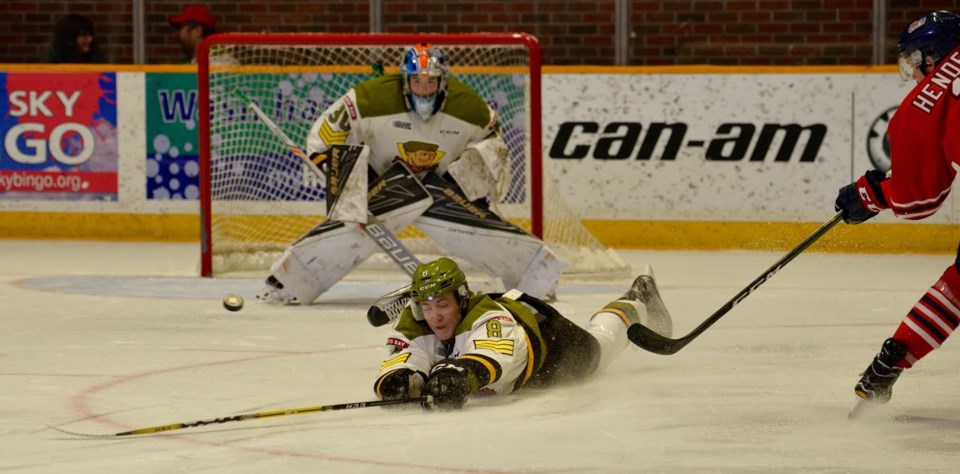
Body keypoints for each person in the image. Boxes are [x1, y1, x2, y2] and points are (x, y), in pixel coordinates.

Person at [257, 44, 565, 305]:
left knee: (473, 230)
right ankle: (287, 285)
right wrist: (348, 181)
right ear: (405, 81)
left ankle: (536, 276)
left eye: (431, 82)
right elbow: (326, 134)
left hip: (440, 185)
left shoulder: (472, 109)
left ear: (443, 82)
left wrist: (474, 191)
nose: (424, 89)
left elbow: (493, 149)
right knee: (352, 225)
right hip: (381, 181)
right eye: (417, 82)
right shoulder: (369, 97)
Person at [835, 10, 960, 408]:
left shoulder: (932, 93)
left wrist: (874, 195)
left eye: (916, 60)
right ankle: (890, 362)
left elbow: (917, 199)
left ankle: (891, 361)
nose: (915, 71)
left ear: (932, 56)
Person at [372, 258, 674, 409]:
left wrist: (462, 375)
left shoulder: (490, 319)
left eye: (442, 304)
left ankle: (639, 296)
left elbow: (493, 358)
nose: (434, 316)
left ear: (461, 300)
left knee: (603, 339)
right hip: (527, 334)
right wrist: (400, 377)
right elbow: (408, 354)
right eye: (427, 307)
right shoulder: (419, 321)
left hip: (560, 349)